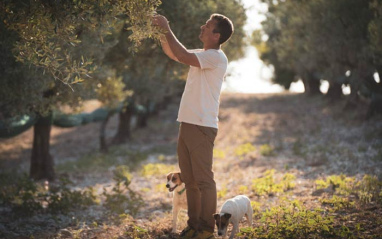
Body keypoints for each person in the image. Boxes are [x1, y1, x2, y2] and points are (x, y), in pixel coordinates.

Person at [152, 13, 234, 239]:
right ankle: (194, 226)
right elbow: (174, 54)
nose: (202, 27)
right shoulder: (203, 55)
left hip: (201, 126)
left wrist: (166, 27)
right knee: (190, 180)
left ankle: (207, 229)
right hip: (187, 123)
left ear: (216, 35)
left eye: (207, 26)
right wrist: (161, 33)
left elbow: (181, 53)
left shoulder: (216, 58)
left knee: (204, 180)